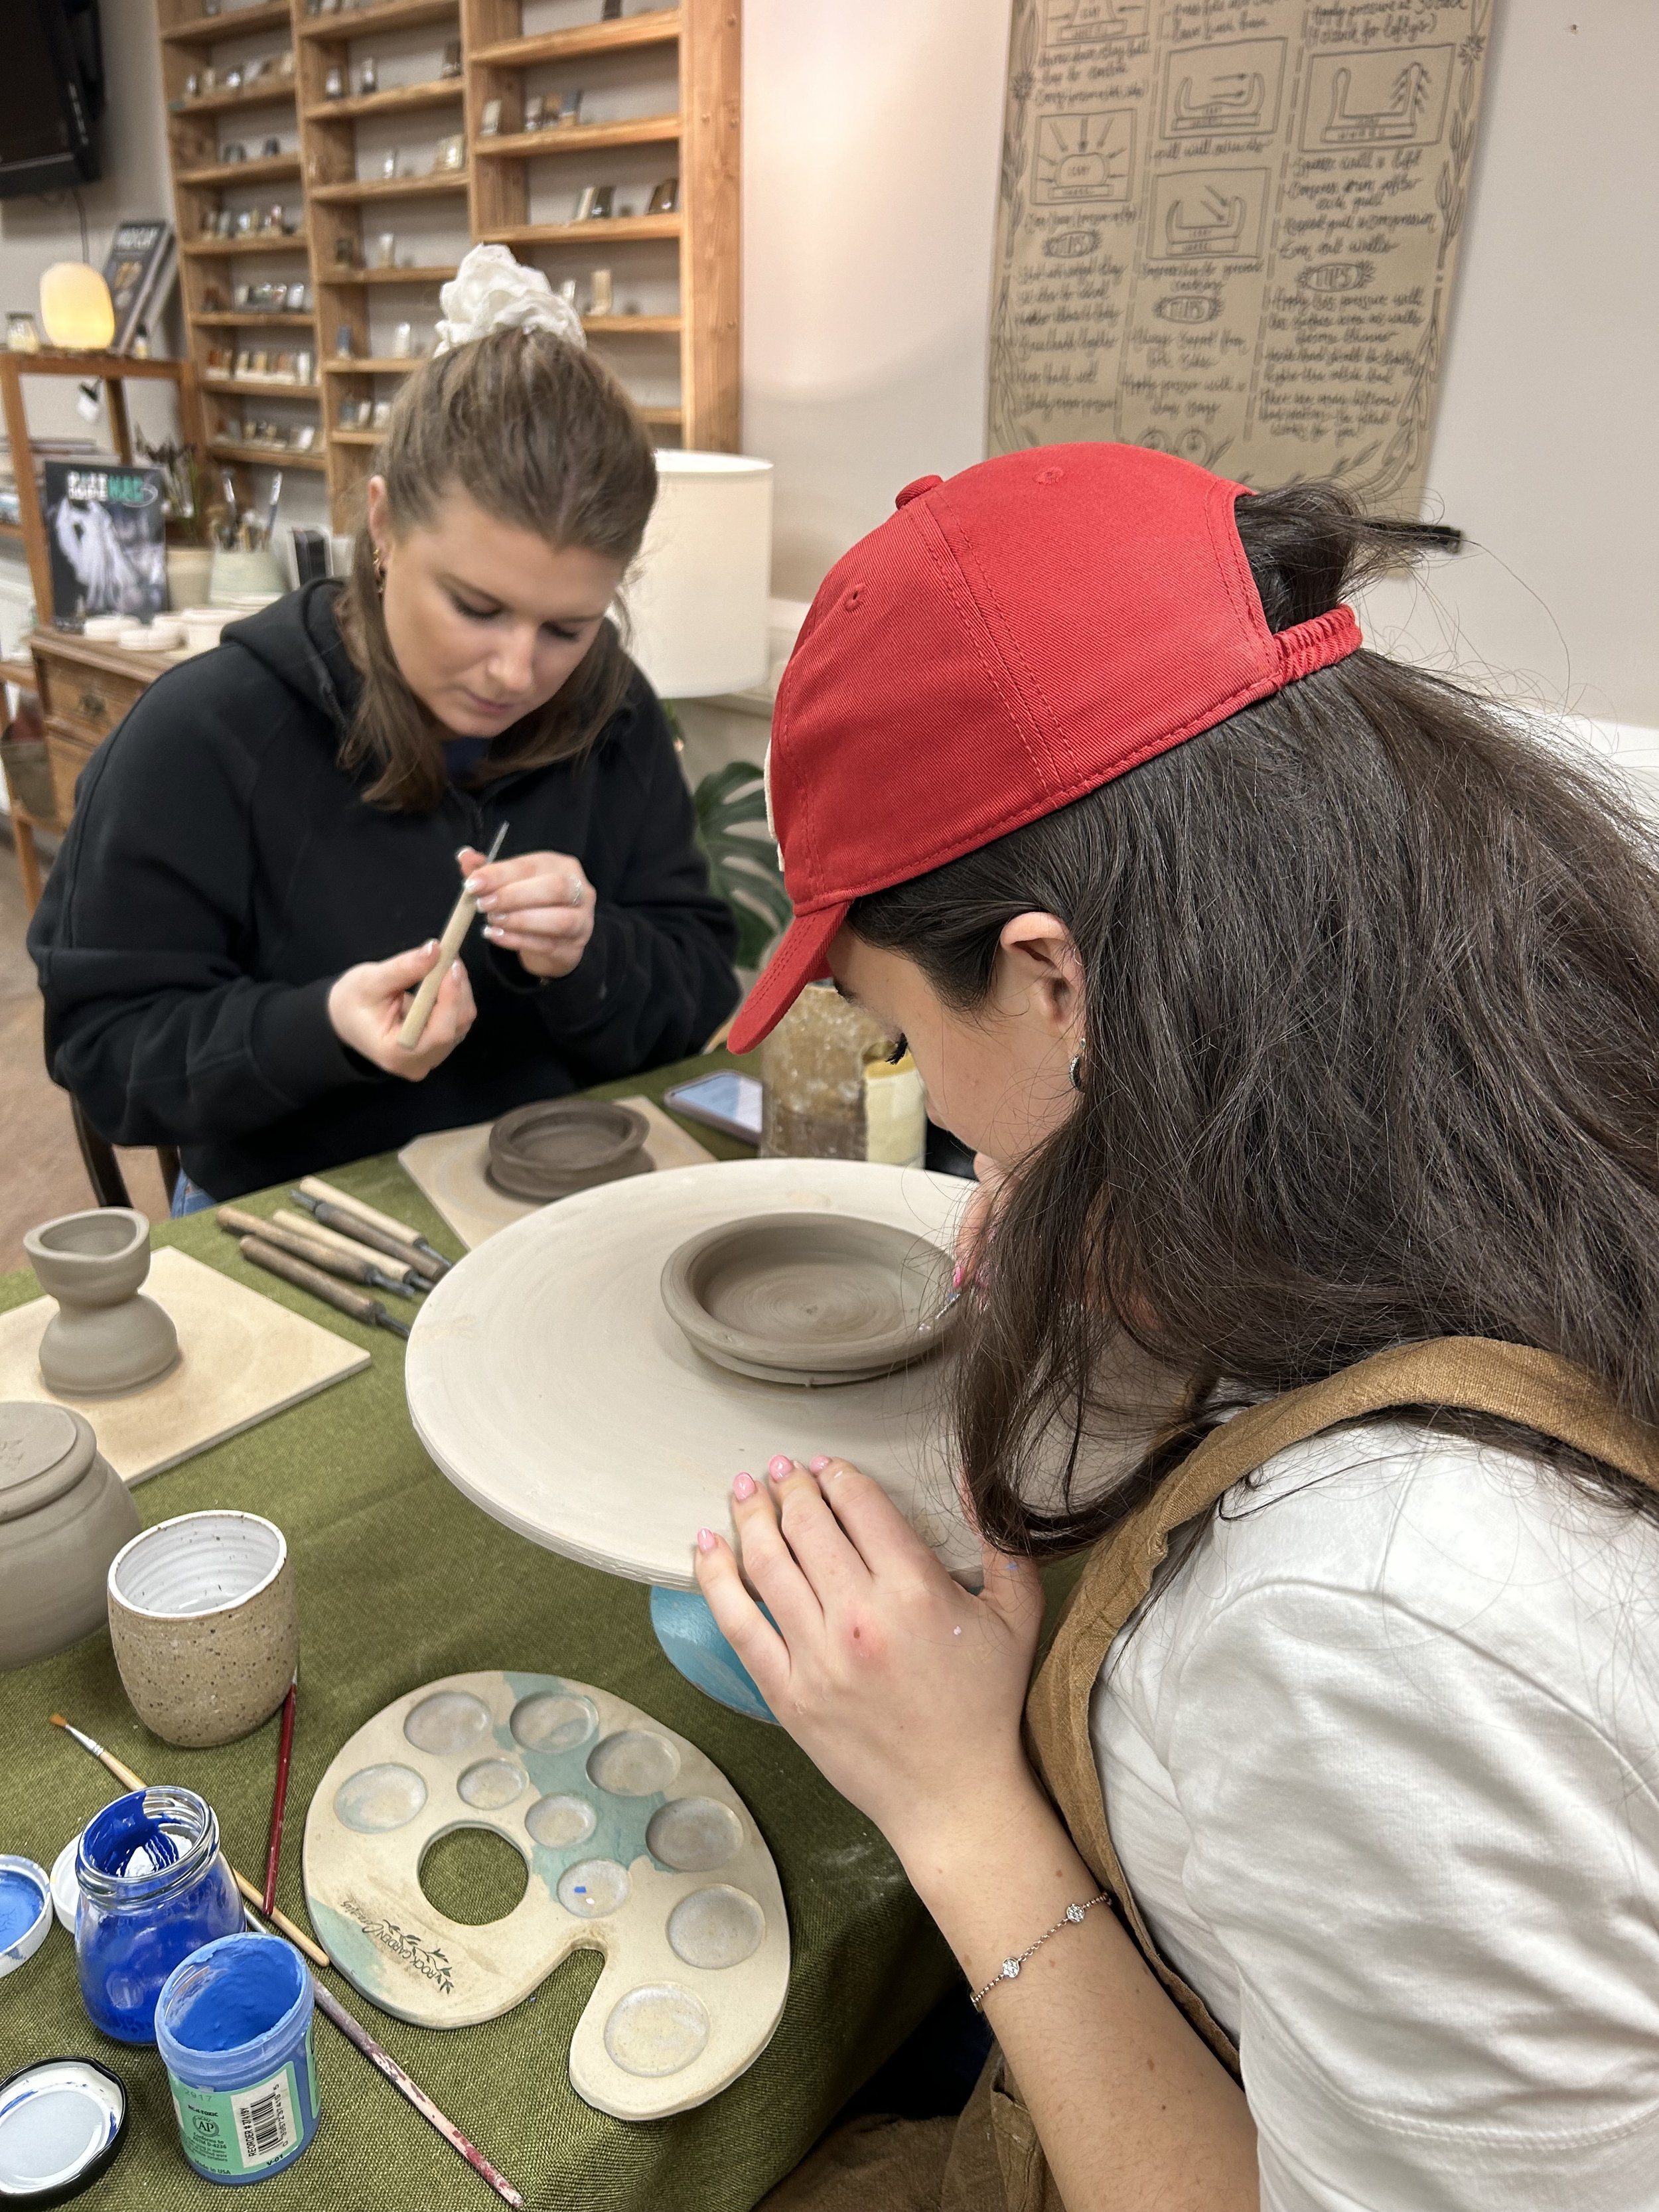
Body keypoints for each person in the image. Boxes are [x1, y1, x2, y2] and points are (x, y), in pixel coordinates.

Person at [697, 447, 1659, 2211]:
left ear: (1056, 978)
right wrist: (1128, 1173)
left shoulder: (1368, 1630)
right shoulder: (1546, 958)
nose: (951, 1110)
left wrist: (955, 1803)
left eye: (903, 1033)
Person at [30, 249, 739, 1205]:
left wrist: (589, 954)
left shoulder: (614, 716)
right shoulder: (201, 738)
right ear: (384, 523)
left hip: (556, 1189)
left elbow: (695, 994)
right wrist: (315, 1028)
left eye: (568, 628)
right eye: (476, 607)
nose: (516, 672)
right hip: (297, 1209)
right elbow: (105, 1056)